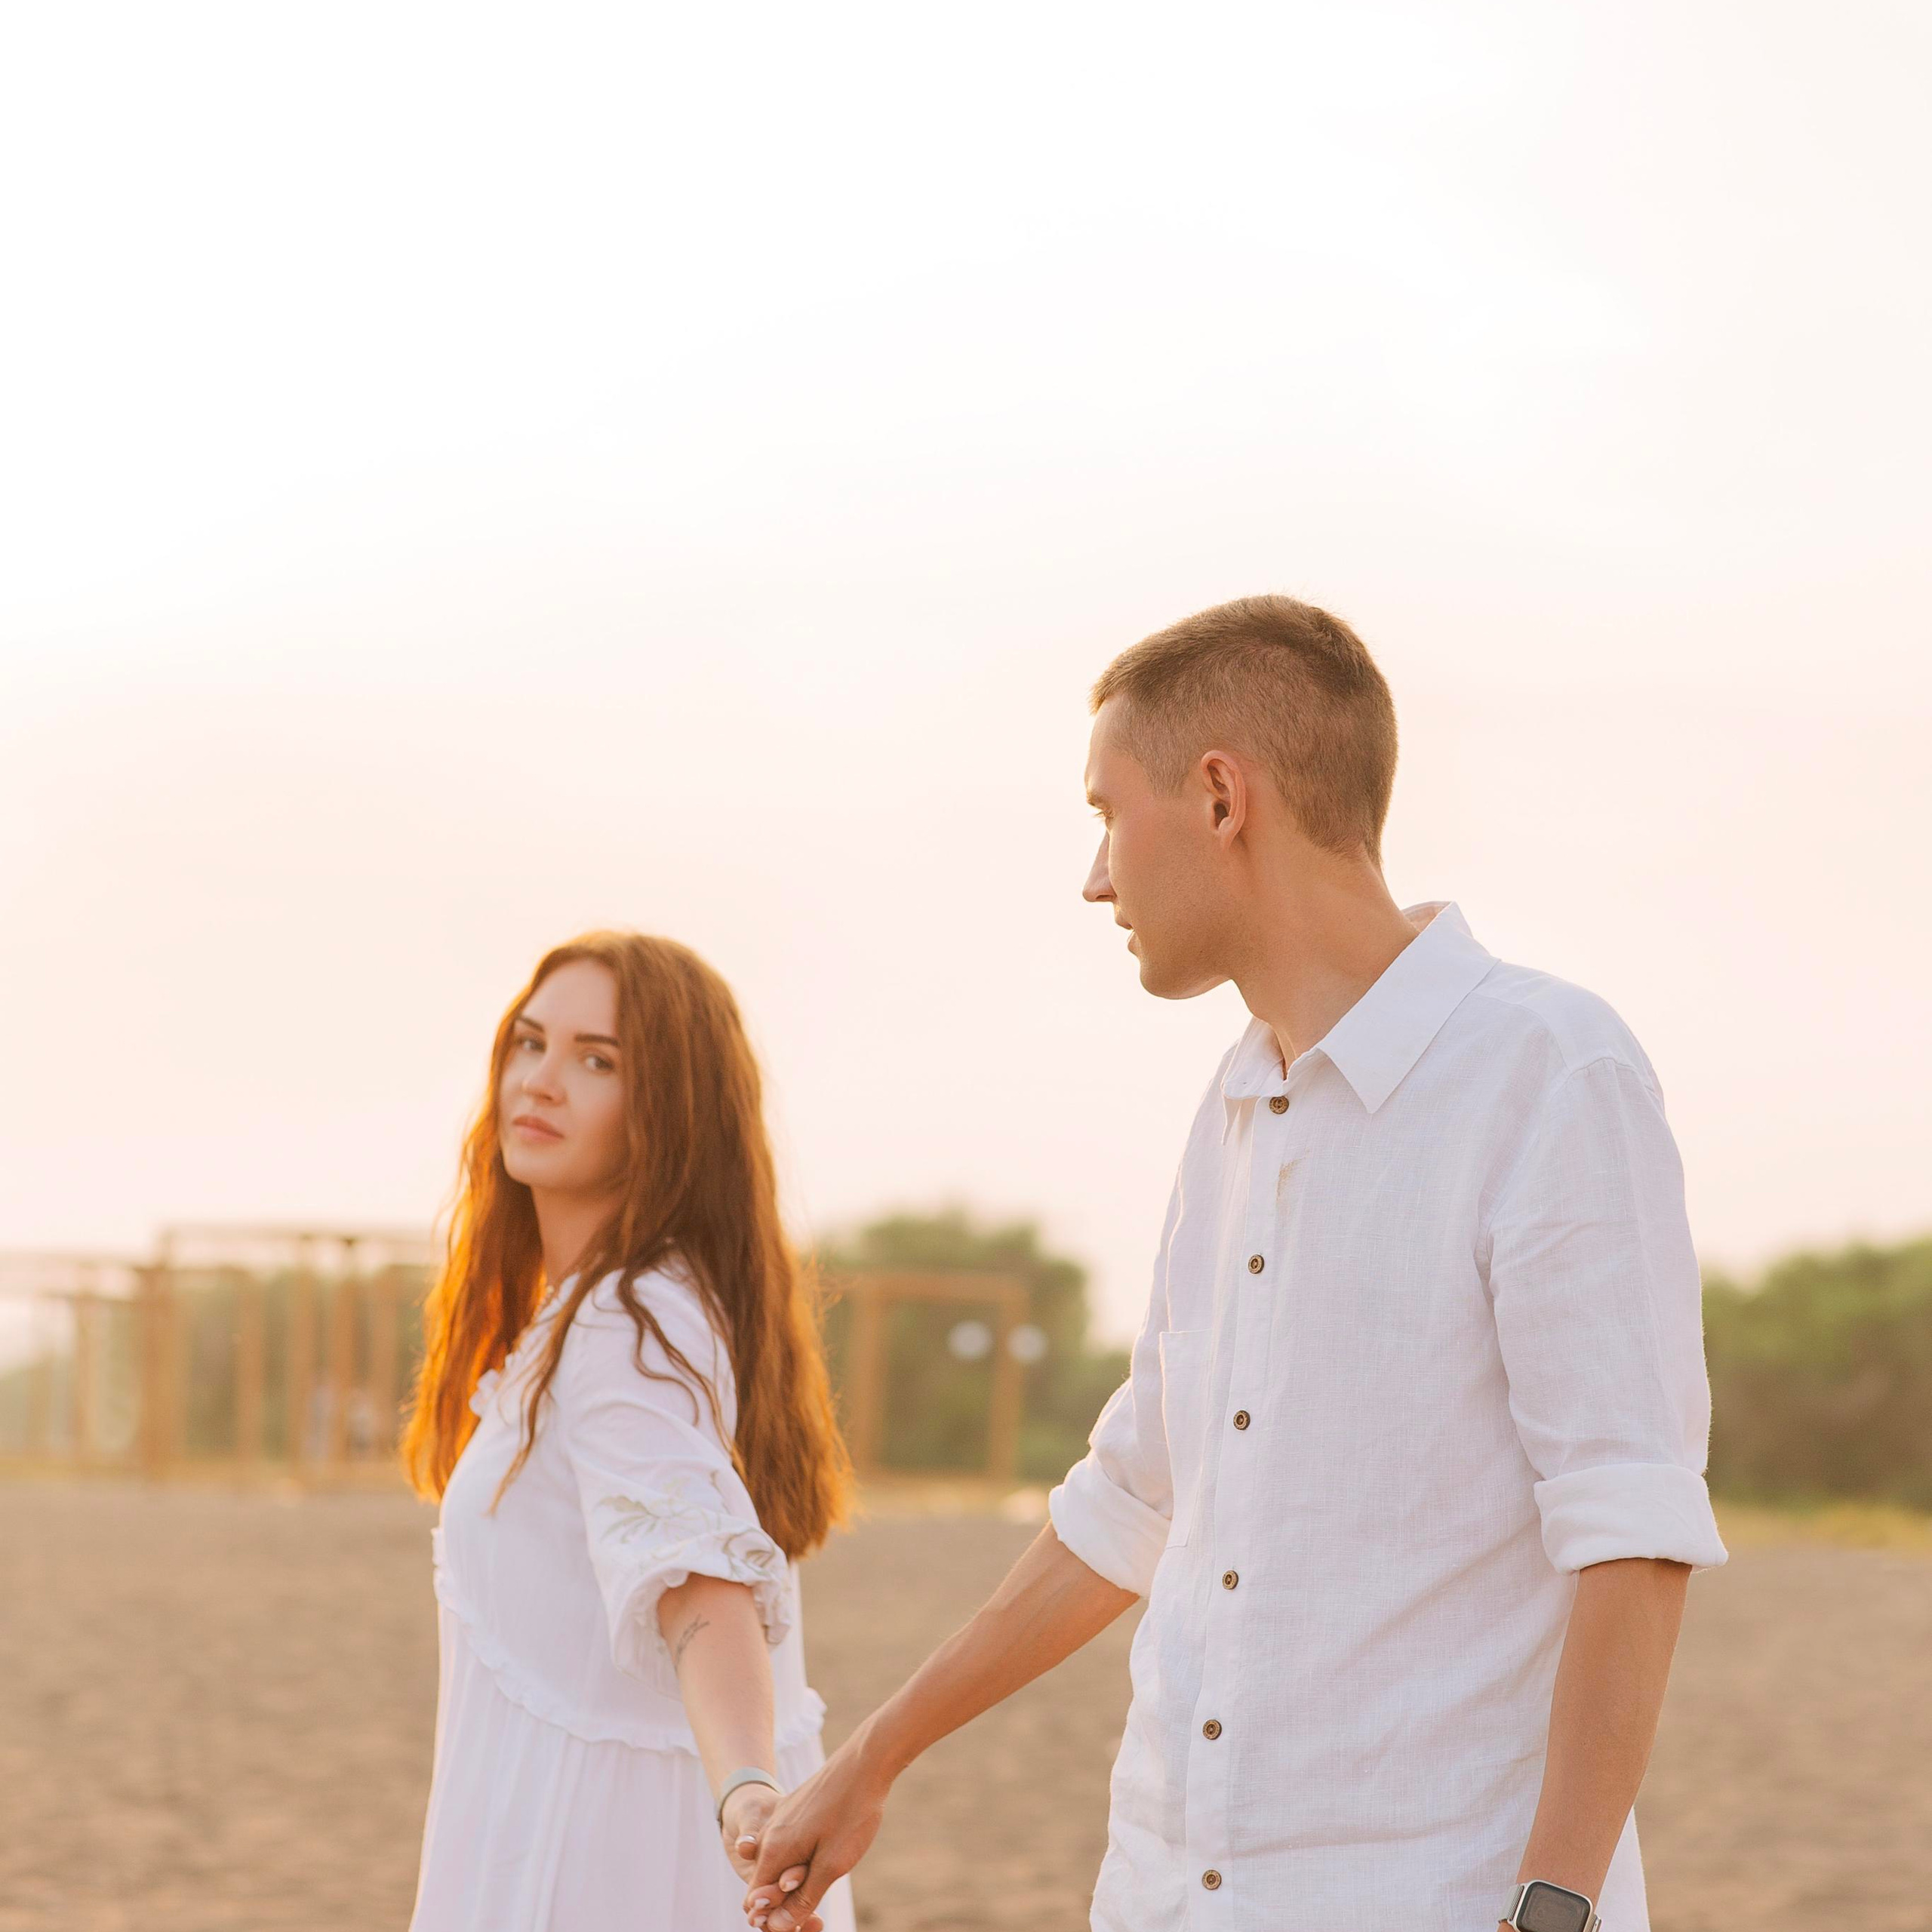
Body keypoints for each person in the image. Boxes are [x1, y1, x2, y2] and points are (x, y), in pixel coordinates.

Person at [746, 596, 1725, 1932]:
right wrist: (874, 1760)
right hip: (1163, 1895)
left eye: (1107, 813)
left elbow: (1632, 1531)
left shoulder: (1552, 1075)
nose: (1096, 876)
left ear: (1219, 797)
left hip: (1424, 1900)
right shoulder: (1234, 1103)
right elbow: (1134, 1496)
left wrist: (1552, 1912)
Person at [402, 931, 855, 1931]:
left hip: (598, 1873)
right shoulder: (614, 1308)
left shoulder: (625, 1321)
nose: (544, 1081)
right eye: (530, 1043)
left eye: (598, 1061)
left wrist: (746, 1787)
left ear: (670, 1114)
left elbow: (697, 1576)